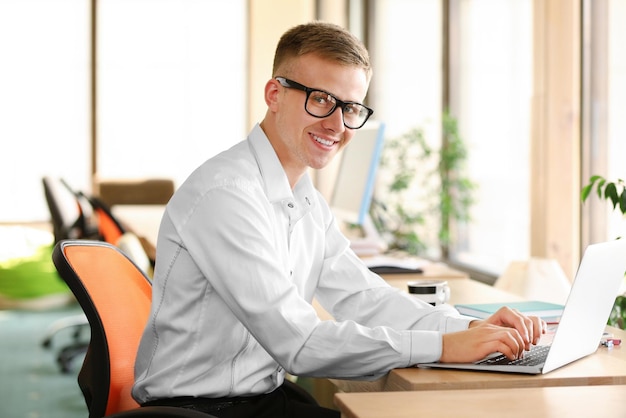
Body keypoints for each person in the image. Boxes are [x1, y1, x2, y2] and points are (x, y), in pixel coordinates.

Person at [132, 21, 546, 417]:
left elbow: (364, 298)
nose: (337, 124)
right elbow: (300, 343)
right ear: (274, 94)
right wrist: (443, 345)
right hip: (200, 410)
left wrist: (467, 327)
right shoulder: (227, 196)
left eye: (350, 107)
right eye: (321, 99)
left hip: (260, 398)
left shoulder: (305, 199)